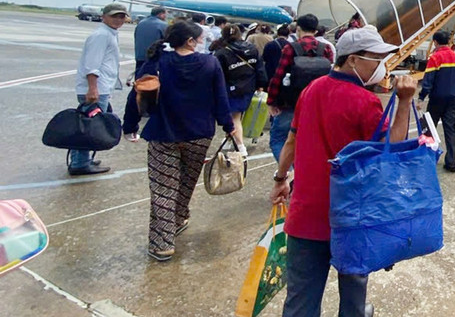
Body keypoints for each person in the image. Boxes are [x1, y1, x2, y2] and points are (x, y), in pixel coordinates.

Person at [270, 26, 418, 317]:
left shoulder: (311, 90)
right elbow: (388, 155)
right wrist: (404, 103)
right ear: (353, 60)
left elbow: (292, 140)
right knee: (352, 297)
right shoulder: (365, 102)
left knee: (300, 301)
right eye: (376, 58)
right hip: (352, 222)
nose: (382, 65)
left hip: (306, 215)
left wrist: (281, 179)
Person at [125, 20, 234, 261]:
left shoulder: (157, 62)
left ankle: (163, 242)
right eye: (199, 37)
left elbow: (138, 94)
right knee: (185, 183)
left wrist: (129, 125)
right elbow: (220, 98)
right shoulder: (210, 63)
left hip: (164, 133)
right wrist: (228, 126)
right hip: (199, 134)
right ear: (189, 41)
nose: (202, 41)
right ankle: (178, 218)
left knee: (163, 189)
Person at [68, 2, 129, 175]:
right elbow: (92, 65)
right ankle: (80, 163)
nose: (118, 20)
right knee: (88, 127)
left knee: (88, 125)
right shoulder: (101, 35)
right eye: (114, 16)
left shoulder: (109, 34)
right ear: (104, 17)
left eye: (121, 16)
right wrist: (93, 88)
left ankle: (82, 159)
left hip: (101, 89)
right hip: (96, 90)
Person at [266, 14, 334, 162]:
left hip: (291, 102)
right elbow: (330, 78)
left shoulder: (290, 48)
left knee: (278, 139)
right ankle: (300, 173)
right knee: (308, 141)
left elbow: (278, 75)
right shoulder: (326, 48)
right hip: (316, 103)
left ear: (298, 29)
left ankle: (289, 173)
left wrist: (272, 101)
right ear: (315, 31)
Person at [213, 24, 267, 155]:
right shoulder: (252, 48)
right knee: (236, 115)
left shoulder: (222, 52)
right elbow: (259, 68)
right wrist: (261, 84)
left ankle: (240, 146)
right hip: (249, 87)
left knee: (234, 117)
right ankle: (229, 139)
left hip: (231, 88)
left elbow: (218, 74)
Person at [418, 30, 455, 172]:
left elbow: (428, 80)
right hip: (453, 99)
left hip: (437, 98)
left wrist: (421, 97)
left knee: (429, 129)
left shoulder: (435, 58)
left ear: (435, 42)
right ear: (449, 42)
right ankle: (451, 162)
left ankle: (427, 157)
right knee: (450, 130)